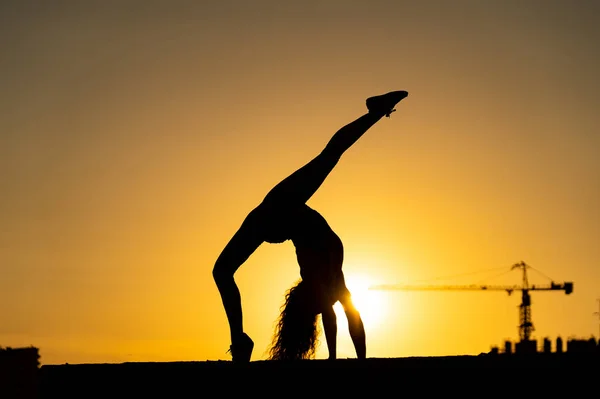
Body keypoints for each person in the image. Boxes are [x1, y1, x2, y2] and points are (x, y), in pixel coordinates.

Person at [213, 90, 409, 362]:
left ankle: (239, 340)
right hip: (277, 214)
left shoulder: (318, 271)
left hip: (274, 215)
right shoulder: (323, 271)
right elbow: (338, 312)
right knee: (329, 156)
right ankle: (239, 340)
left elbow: (337, 312)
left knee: (222, 271)